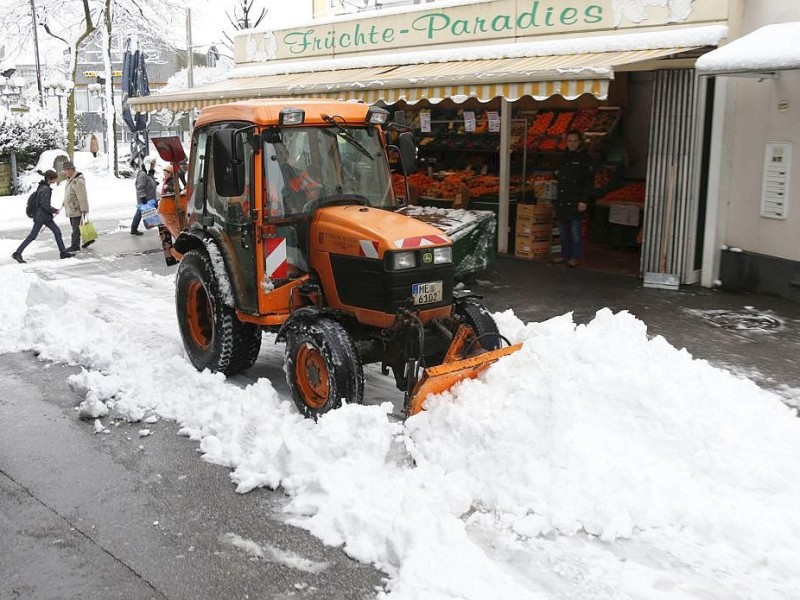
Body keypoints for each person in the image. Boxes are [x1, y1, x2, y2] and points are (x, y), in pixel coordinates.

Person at [12, 170, 75, 263]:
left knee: (57, 232)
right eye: (54, 178)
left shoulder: (42, 186)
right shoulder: (45, 189)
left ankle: (63, 252)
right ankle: (17, 253)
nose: (56, 180)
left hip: (43, 216)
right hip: (42, 216)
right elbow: (44, 205)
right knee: (33, 235)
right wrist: (54, 210)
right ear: (50, 179)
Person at [553, 130, 594, 268]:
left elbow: (588, 182)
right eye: (569, 141)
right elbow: (558, 173)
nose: (572, 143)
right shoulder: (564, 157)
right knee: (563, 230)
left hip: (576, 199)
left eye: (574, 141)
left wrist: (583, 200)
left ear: (580, 142)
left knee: (575, 231)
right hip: (563, 199)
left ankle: (575, 257)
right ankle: (565, 254)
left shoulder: (585, 159)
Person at [62, 161, 90, 251]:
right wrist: (65, 202)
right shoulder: (70, 179)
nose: (65, 172)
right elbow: (69, 193)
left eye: (66, 170)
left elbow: (82, 196)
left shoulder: (78, 180)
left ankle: (75, 246)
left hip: (76, 208)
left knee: (75, 229)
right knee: (78, 227)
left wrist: (84, 209)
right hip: (71, 207)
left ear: (71, 169)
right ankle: (88, 239)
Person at [130, 159, 158, 235]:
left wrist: (152, 174)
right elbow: (140, 186)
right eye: (152, 164)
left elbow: (149, 182)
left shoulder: (147, 173)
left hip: (149, 198)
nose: (153, 166)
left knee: (140, 212)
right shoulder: (142, 174)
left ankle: (134, 228)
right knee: (139, 212)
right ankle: (133, 228)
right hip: (145, 198)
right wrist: (143, 197)